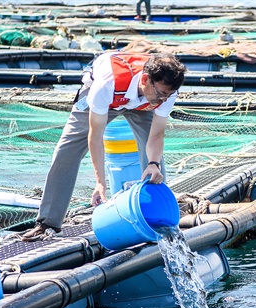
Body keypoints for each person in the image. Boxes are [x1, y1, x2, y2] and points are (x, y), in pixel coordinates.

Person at [21, 52, 187, 242]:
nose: (164, 100)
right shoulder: (107, 83)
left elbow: (156, 135)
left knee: (154, 163)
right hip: (109, 97)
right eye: (161, 94)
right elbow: (95, 134)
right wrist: (100, 182)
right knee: (67, 150)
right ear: (145, 79)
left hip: (142, 103)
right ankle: (48, 223)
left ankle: (158, 219)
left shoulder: (165, 92)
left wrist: (153, 163)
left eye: (169, 95)